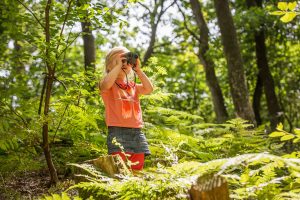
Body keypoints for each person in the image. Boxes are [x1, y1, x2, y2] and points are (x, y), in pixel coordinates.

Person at [99, 46, 153, 171]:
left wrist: (138, 70)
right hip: (117, 130)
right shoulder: (109, 86)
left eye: (126, 61)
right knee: (120, 168)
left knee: (137, 166)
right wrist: (118, 66)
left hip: (137, 132)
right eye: (119, 60)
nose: (124, 63)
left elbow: (149, 89)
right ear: (108, 67)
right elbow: (105, 84)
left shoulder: (133, 86)